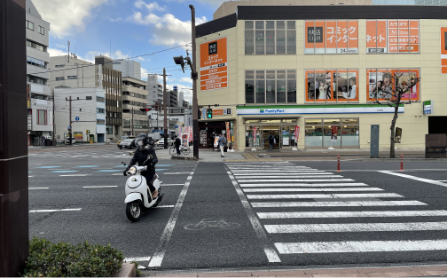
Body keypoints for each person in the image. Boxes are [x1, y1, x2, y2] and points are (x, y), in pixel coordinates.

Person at [126, 134, 159, 199]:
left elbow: (155, 158)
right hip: (140, 171)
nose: (139, 142)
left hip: (149, 171)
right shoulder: (138, 150)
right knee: (135, 182)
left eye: (140, 141)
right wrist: (128, 168)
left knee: (145, 182)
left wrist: (152, 163)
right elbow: (133, 160)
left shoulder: (150, 149)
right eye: (138, 141)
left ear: (145, 141)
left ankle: (154, 191)